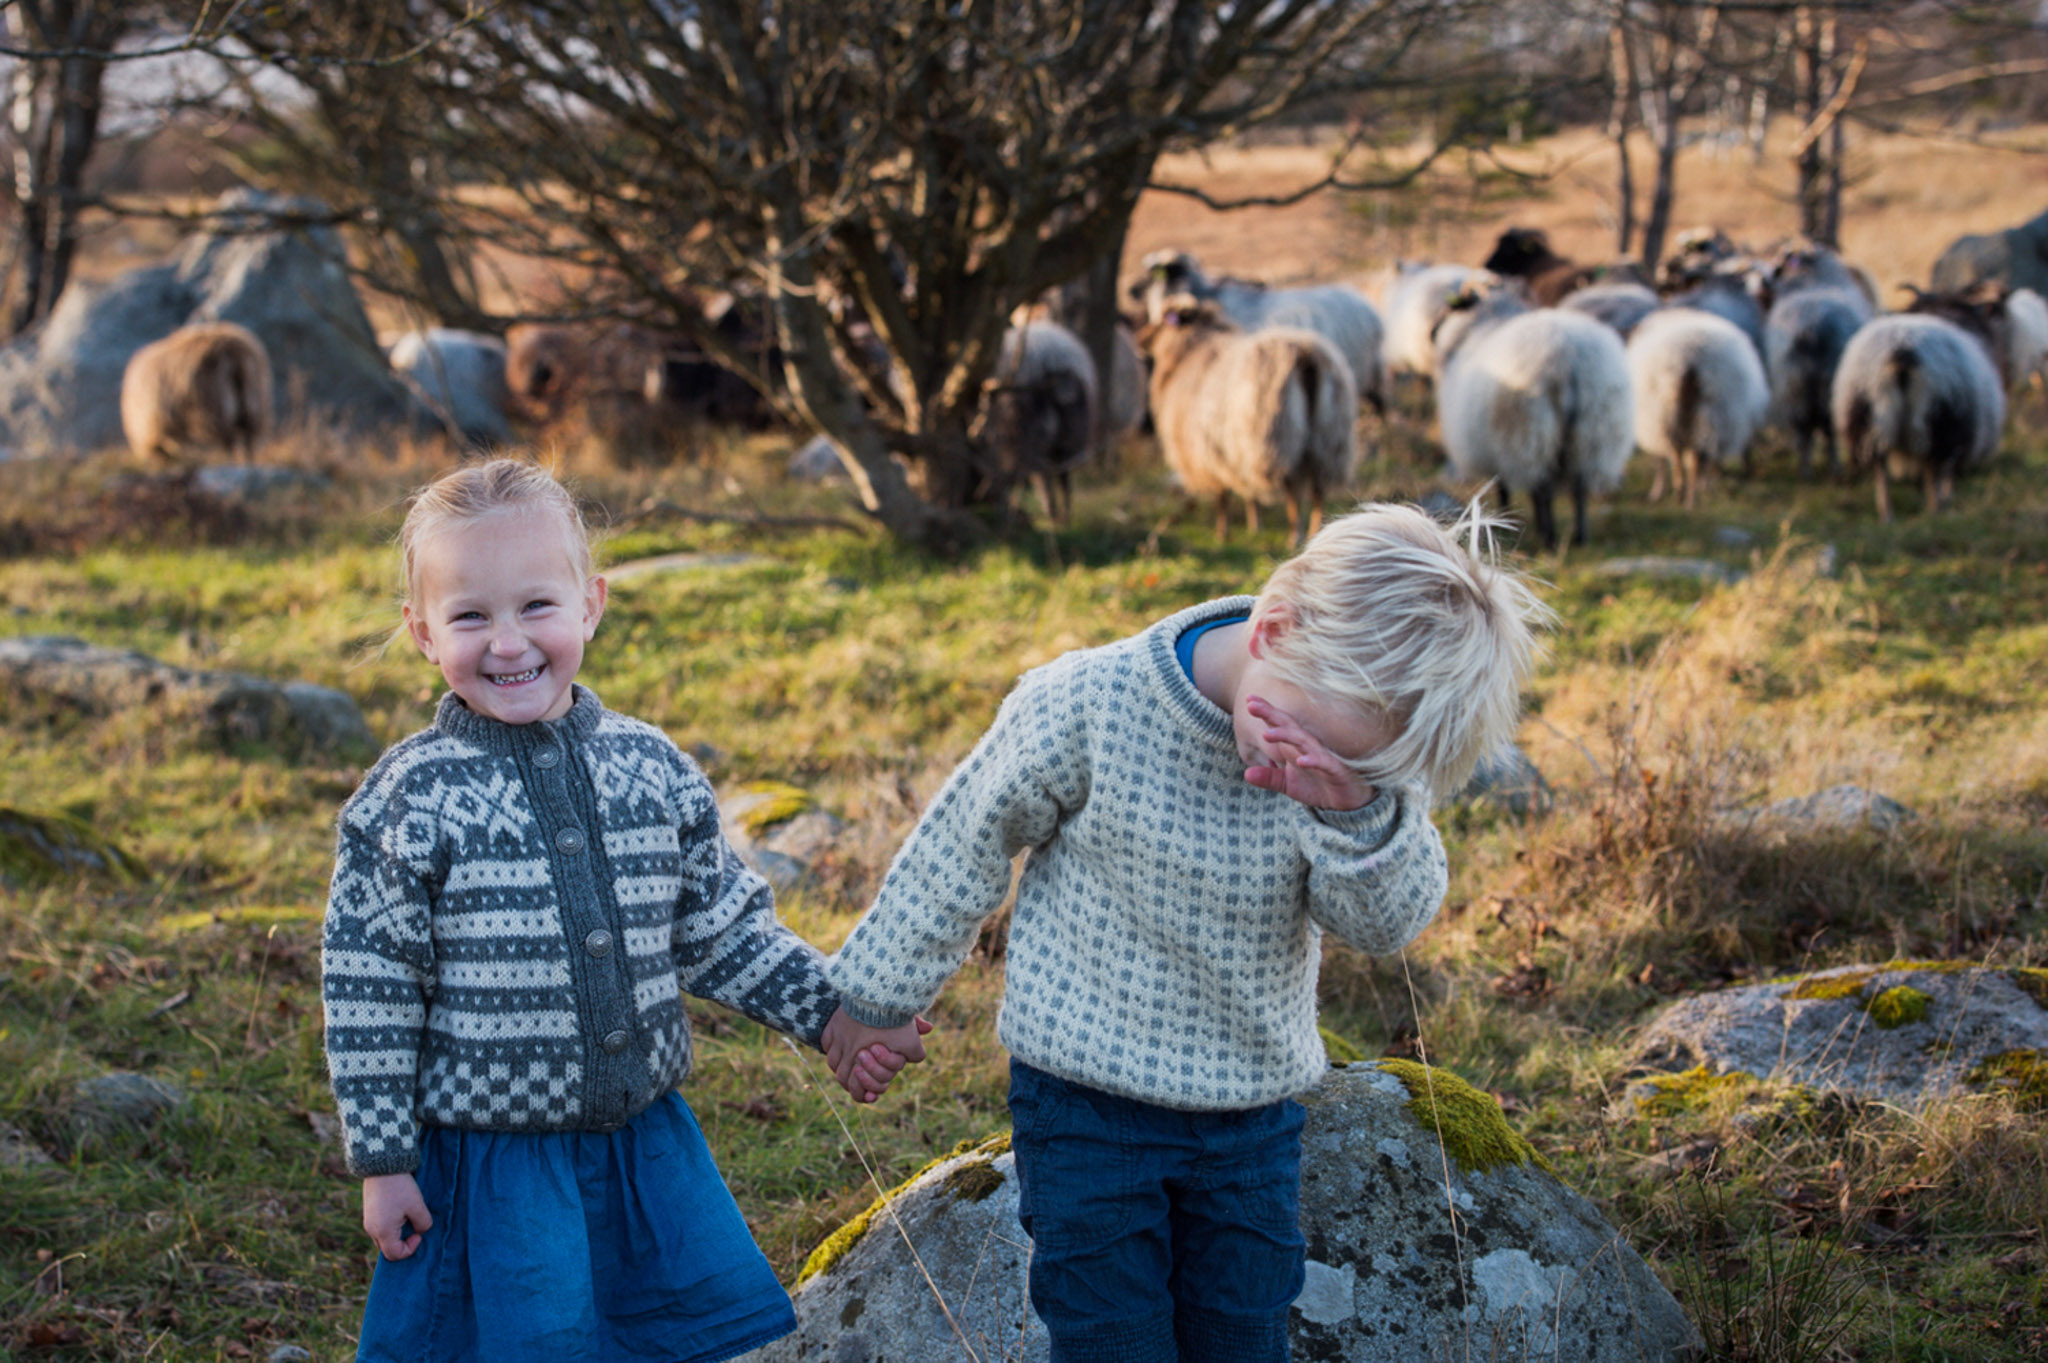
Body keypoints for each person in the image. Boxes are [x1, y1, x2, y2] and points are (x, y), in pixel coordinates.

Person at [822, 501, 1549, 1363]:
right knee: (1111, 1339)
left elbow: (1381, 923)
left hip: (1250, 1117)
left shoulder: (1349, 763)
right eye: (1308, 743)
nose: (1302, 770)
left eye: (1355, 768)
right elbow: (964, 839)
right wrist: (876, 997)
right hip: (1085, 1105)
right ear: (1274, 629)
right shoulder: (1092, 702)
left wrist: (1352, 815)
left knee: (1241, 1336)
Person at [321, 458, 924, 1363]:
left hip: (644, 1153)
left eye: (537, 606)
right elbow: (369, 989)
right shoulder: (409, 800)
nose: (509, 643)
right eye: (470, 616)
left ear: (592, 603)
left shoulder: (652, 769)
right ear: (421, 631)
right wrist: (384, 1158)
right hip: (496, 1168)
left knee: (677, 1341)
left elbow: (720, 928)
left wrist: (834, 1012)